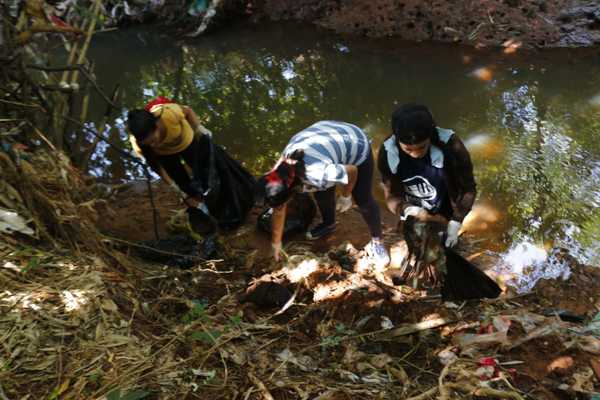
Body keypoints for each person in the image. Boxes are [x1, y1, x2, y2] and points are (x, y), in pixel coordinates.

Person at [256, 120, 390, 267]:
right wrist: (276, 243)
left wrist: (346, 195)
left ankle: (377, 241)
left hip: (355, 143)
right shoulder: (281, 168)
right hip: (327, 141)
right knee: (321, 191)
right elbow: (279, 209)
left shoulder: (318, 173)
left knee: (363, 199)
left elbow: (352, 171)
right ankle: (329, 224)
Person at [127, 97, 255, 236]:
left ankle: (215, 200)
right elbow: (157, 167)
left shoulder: (170, 114)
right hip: (166, 156)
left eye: (153, 139)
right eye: (148, 143)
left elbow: (188, 111)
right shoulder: (141, 143)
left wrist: (199, 128)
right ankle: (203, 208)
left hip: (187, 143)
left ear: (156, 126)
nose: (152, 145)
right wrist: (173, 185)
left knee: (203, 173)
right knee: (184, 184)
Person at [377, 103, 476, 248]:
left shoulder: (451, 146)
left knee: (445, 246)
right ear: (398, 141)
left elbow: (468, 188)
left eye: (421, 147)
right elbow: (392, 195)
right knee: (417, 246)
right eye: (408, 149)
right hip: (412, 209)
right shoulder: (388, 152)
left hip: (445, 208)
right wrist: (407, 209)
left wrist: (456, 221)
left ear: (430, 135)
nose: (416, 154)